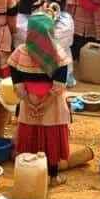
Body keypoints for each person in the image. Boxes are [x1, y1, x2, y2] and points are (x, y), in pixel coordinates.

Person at [10, 10, 73, 185]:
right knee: (51, 138)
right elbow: (59, 86)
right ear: (50, 31)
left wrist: (29, 102)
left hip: (29, 101)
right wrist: (44, 104)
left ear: (30, 31)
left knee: (29, 136)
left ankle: (29, 176)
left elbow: (17, 81)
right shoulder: (59, 54)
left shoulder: (20, 52)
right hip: (52, 104)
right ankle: (53, 177)